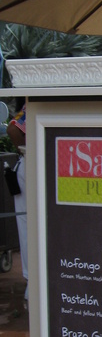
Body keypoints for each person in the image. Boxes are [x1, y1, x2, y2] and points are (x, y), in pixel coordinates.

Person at [6, 103, 27, 307]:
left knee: (28, 222)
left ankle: (32, 281)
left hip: (30, 163)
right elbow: (13, 128)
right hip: (33, 165)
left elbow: (12, 128)